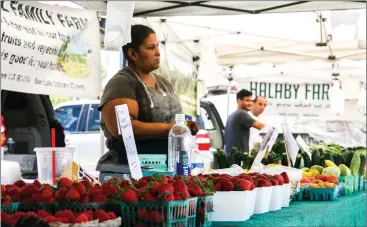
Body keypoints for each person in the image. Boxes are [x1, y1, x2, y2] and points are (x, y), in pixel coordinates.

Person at [96, 25, 199, 170]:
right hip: (132, 169)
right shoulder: (123, 82)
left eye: (157, 46)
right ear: (133, 54)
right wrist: (169, 129)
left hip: (168, 167)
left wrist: (183, 126)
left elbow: (167, 120)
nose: (158, 52)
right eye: (151, 47)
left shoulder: (163, 82)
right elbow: (123, 128)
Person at [224, 89, 265, 156]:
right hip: (239, 158)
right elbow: (261, 126)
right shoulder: (241, 113)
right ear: (239, 101)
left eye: (251, 101)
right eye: (247, 100)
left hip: (230, 157)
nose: (250, 103)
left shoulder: (231, 115)